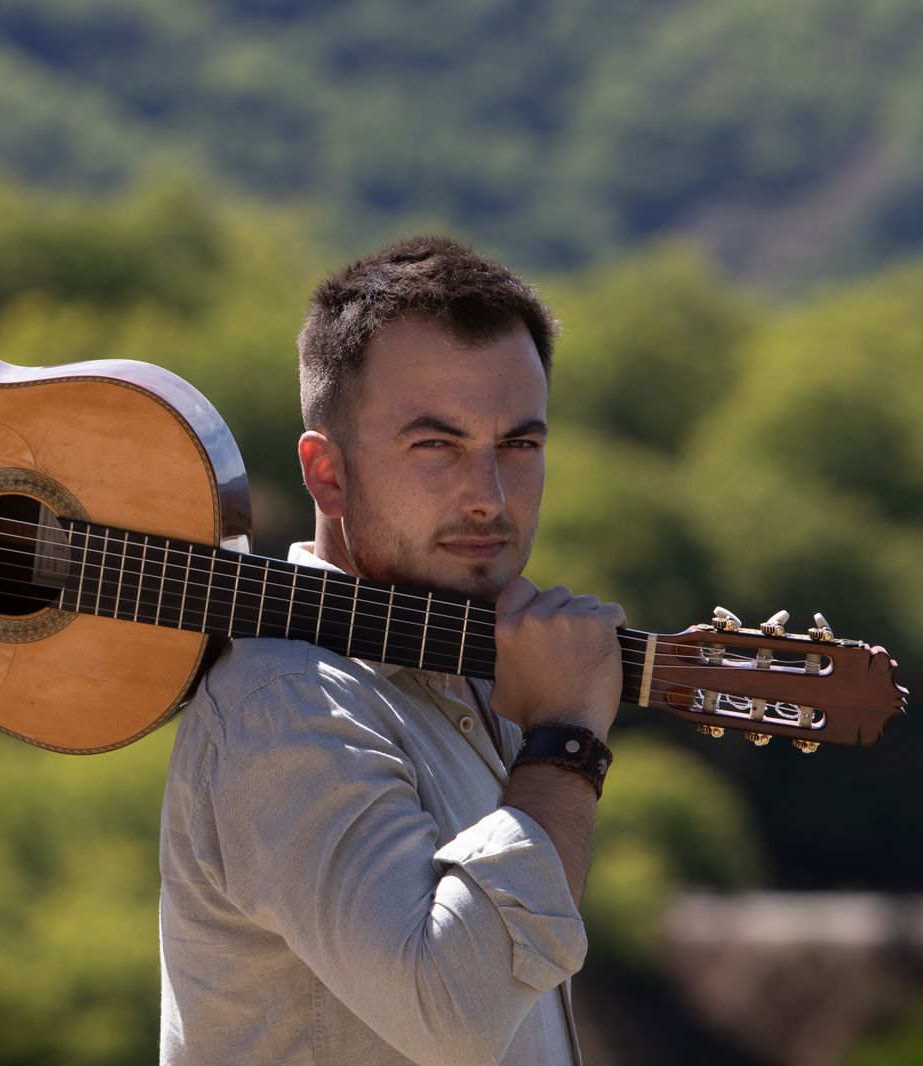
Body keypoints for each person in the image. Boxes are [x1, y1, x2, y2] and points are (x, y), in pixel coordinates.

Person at [158, 235, 627, 1065]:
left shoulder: (477, 682)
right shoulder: (288, 701)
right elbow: (453, 1011)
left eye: (519, 445)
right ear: (327, 474)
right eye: (435, 445)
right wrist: (565, 744)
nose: (488, 498)